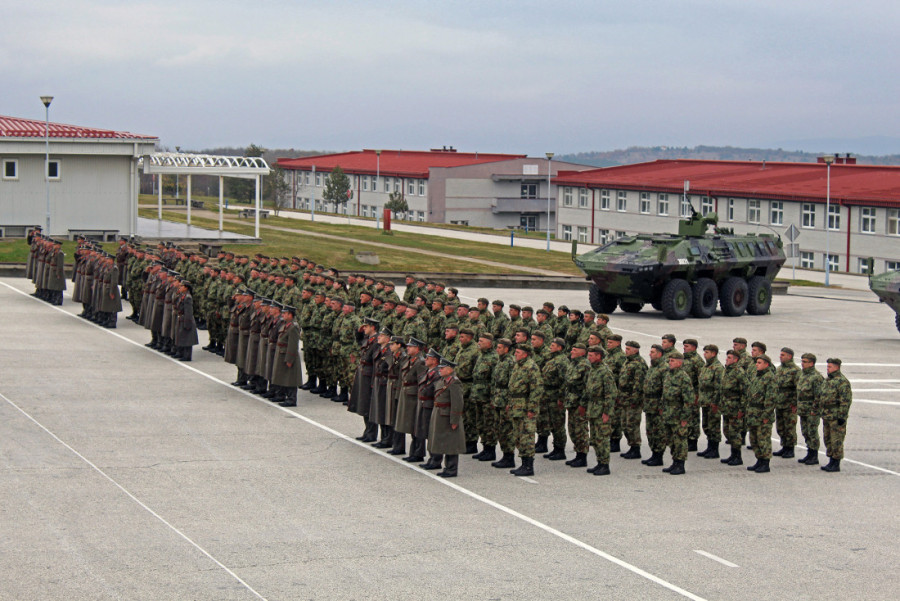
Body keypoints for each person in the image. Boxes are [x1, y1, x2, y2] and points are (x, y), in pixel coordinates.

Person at [506, 343, 544, 476]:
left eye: (518, 352)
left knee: (526, 436)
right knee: (518, 436)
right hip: (516, 406)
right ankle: (523, 463)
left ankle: (528, 466)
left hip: (525, 406)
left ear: (525, 354)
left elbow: (537, 389)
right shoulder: (518, 365)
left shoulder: (531, 367)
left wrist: (532, 408)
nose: (515, 354)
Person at [427, 358, 466, 477]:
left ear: (450, 369)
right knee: (443, 442)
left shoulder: (454, 382)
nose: (440, 370)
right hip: (439, 413)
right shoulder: (444, 380)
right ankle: (447, 467)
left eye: (443, 368)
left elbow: (457, 403)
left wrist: (454, 420)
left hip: (448, 415)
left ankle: (452, 468)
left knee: (451, 443)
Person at [584, 345, 617, 476]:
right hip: (593, 408)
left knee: (602, 438)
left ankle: (605, 464)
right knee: (595, 438)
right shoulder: (593, 370)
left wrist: (607, 412)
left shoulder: (605, 372)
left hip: (601, 409)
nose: (589, 357)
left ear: (599, 356)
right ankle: (599, 462)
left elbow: (611, 394)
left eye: (591, 355)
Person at [661, 351, 694, 475]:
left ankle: (680, 464)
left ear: (679, 363)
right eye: (669, 361)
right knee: (671, 440)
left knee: (680, 439)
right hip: (668, 413)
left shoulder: (683, 377)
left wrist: (685, 417)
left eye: (672, 361)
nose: (670, 363)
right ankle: (674, 462)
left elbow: (689, 400)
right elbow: (664, 394)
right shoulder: (669, 375)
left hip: (678, 414)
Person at [471, 333, 499, 462]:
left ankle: (490, 450)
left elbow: (495, 380)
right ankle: (484, 448)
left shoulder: (494, 358)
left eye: (481, 341)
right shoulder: (481, 356)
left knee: (489, 424)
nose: (479, 343)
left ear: (489, 343)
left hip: (487, 397)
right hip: (478, 396)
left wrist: (493, 398)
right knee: (480, 423)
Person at [820, 358, 852, 473]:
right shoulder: (828, 380)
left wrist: (842, 416)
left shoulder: (842, 382)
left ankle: (836, 462)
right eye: (827, 367)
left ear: (837, 367)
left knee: (836, 440)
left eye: (830, 367)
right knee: (828, 438)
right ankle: (831, 460)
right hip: (827, 415)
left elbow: (845, 401)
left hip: (836, 417)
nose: (827, 369)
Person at [746, 354, 777, 473]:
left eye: (759, 363)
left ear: (766, 364)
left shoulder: (770, 378)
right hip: (753, 413)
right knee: (754, 439)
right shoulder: (757, 376)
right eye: (756, 362)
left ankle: (765, 463)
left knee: (763, 438)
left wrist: (766, 415)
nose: (756, 365)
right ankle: (759, 460)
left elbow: (771, 399)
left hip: (762, 414)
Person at [719, 350, 749, 466]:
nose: (727, 359)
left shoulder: (739, 372)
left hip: (735, 408)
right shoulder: (727, 371)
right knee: (727, 431)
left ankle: (737, 456)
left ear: (735, 360)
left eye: (729, 357)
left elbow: (745, 392)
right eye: (727, 357)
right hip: (727, 407)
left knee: (735, 432)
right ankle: (732, 455)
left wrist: (742, 409)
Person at [641, 344, 667, 467]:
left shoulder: (664, 368)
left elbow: (665, 389)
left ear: (659, 354)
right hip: (649, 404)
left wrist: (662, 406)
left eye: (652, 352)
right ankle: (653, 454)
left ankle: (659, 456)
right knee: (650, 431)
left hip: (657, 405)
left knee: (659, 431)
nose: (650, 354)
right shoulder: (653, 367)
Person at [796, 353, 825, 465]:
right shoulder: (803, 375)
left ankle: (814, 455)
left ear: (811, 363)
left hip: (811, 411)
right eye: (802, 361)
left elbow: (819, 396)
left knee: (812, 433)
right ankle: (809, 453)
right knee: (805, 432)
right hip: (803, 410)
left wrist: (815, 411)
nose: (802, 364)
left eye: (805, 362)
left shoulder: (816, 377)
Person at [697, 344, 724, 459]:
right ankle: (709, 447)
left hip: (713, 402)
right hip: (705, 401)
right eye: (704, 352)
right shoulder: (706, 366)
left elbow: (719, 387)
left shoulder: (718, 368)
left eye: (707, 352)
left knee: (714, 426)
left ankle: (714, 449)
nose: (704, 354)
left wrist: (715, 402)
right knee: (706, 425)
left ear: (713, 353)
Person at [773, 347, 801, 459]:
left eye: (783, 355)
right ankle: (784, 446)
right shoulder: (779, 369)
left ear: (789, 356)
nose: (780, 357)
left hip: (789, 404)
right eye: (780, 355)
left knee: (789, 427)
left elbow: (798, 389)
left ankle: (790, 449)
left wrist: (795, 403)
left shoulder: (795, 371)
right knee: (781, 427)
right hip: (779, 403)